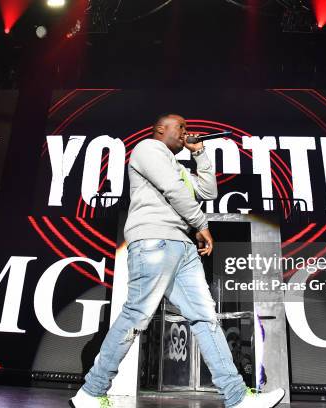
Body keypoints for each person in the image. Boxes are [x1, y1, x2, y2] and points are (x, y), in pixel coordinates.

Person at [70, 114, 285, 408]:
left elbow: (208, 191)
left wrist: (200, 154)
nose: (186, 131)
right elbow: (173, 191)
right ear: (160, 129)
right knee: (136, 315)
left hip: (181, 245)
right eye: (180, 127)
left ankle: (236, 397)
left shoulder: (177, 165)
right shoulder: (148, 149)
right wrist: (201, 224)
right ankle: (91, 392)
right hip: (155, 239)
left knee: (206, 318)